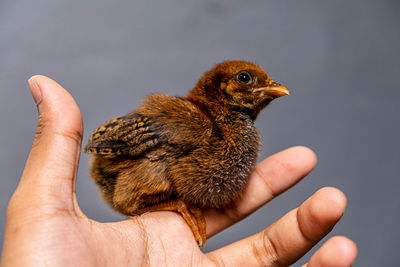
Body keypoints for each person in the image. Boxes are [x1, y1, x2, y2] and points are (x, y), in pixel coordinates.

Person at [0, 75, 357, 266]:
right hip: (125, 176)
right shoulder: (194, 121)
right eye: (247, 80)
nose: (264, 87)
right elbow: (107, 142)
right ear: (221, 87)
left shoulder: (221, 131)